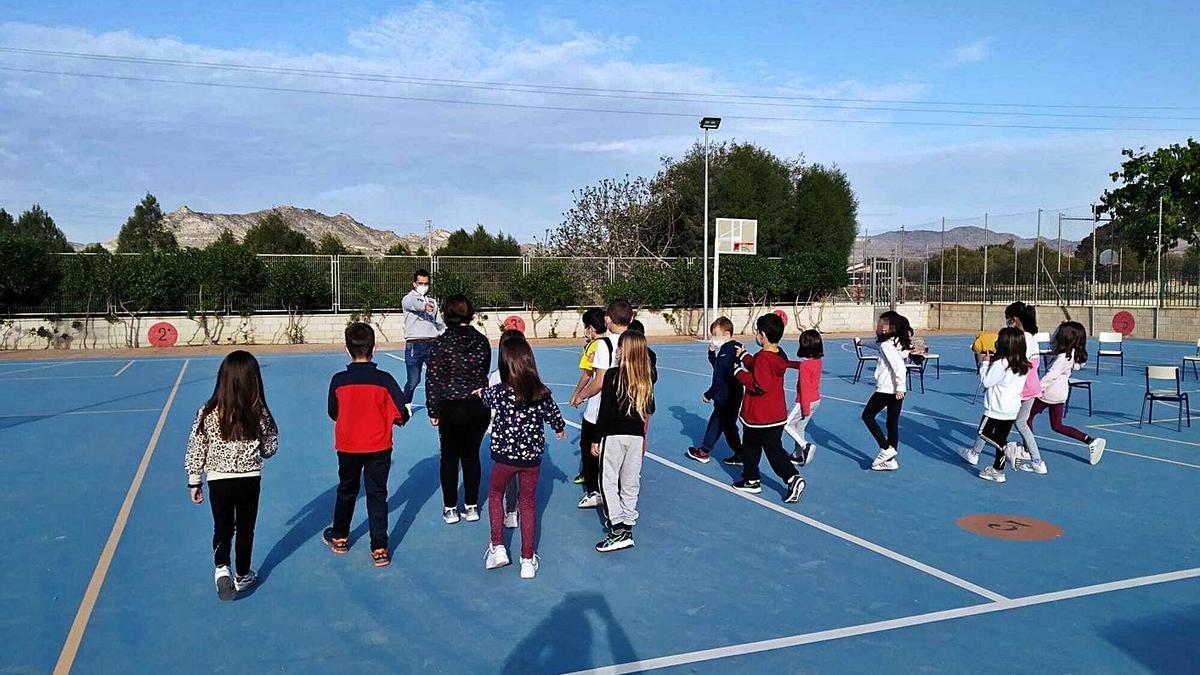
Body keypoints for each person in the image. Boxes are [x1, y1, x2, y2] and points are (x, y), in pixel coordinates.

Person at [186, 351, 278, 600]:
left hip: (218, 479)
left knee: (223, 525)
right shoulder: (258, 411)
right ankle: (243, 573)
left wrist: (194, 480)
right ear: (253, 380)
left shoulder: (207, 411)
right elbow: (271, 446)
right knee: (246, 527)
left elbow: (196, 447)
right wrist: (257, 447)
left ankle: (221, 567)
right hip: (249, 478)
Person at [322, 324, 410, 567]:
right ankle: (379, 547)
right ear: (375, 348)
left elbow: (333, 412)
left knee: (346, 490)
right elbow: (401, 411)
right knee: (377, 494)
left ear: (346, 350)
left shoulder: (339, 380)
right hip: (379, 446)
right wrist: (398, 419)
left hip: (348, 446)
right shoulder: (384, 380)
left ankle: (340, 537)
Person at [480, 337, 567, 578]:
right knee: (528, 504)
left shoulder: (499, 392)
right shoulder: (540, 392)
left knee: (495, 495)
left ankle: (497, 547)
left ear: (505, 365)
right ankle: (527, 560)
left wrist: (479, 393)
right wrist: (559, 428)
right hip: (531, 459)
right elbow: (554, 415)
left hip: (504, 456)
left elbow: (484, 397)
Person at [425, 294, 492, 524]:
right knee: (472, 455)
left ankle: (451, 507)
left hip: (451, 406)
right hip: (477, 406)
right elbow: (485, 368)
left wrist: (433, 410)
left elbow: (433, 378)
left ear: (445, 314)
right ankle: (472, 505)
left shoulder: (441, 343)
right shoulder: (481, 341)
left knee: (450, 457)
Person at [592, 330, 657, 552]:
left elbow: (605, 411)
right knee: (630, 482)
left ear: (624, 351)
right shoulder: (645, 379)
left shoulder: (612, 376)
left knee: (608, 481)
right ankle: (628, 525)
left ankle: (617, 528)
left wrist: (596, 438)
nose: (617, 351)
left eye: (620, 348)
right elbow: (650, 409)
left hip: (614, 435)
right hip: (636, 436)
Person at [731, 313, 806, 503]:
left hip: (759, 416)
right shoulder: (777, 354)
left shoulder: (763, 358)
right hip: (776, 414)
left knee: (752, 448)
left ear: (762, 335)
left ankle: (786, 477)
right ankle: (757, 478)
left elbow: (758, 384)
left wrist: (738, 372)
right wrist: (745, 356)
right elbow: (758, 365)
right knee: (773, 447)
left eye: (757, 332)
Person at [570, 300, 632, 509]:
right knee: (619, 453)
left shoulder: (604, 345)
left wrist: (580, 395)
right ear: (631, 319)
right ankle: (621, 493)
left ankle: (594, 491)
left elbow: (598, 381)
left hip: (600, 409)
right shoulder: (636, 342)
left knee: (590, 449)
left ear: (607, 320)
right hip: (628, 408)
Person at [1028, 321, 1108, 467]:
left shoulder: (1063, 358)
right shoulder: (1071, 353)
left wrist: (1035, 390)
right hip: (1060, 394)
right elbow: (1052, 341)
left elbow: (1050, 376)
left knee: (1026, 418)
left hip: (1048, 393)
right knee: (1057, 426)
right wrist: (1060, 326)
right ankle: (1090, 440)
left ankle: (1028, 449)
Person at [957, 327, 1029, 483]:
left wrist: (985, 364)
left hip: (996, 408)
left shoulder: (1002, 363)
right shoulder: (1023, 364)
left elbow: (987, 381)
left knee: (984, 433)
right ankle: (998, 470)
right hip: (1012, 408)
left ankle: (1009, 448)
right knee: (1000, 437)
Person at [857, 310, 912, 471]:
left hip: (887, 389)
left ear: (892, 327)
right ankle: (890, 459)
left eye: (884, 323)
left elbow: (899, 367)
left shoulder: (888, 345)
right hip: (896, 391)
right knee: (891, 422)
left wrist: (900, 387)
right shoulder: (894, 342)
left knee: (867, 416)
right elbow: (875, 344)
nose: (880, 325)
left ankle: (886, 448)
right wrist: (861, 342)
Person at [687, 317, 744, 465]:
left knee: (719, 423)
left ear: (726, 334)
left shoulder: (728, 351)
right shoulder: (728, 350)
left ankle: (704, 451)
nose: (713, 338)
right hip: (730, 394)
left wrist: (709, 394)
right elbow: (718, 366)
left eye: (715, 334)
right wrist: (711, 353)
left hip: (727, 395)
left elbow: (720, 377)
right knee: (726, 425)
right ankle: (740, 454)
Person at [488, 328, 526, 528]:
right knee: (520, 477)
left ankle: (511, 510)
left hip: (505, 438)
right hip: (527, 439)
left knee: (505, 478)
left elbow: (490, 404)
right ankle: (513, 508)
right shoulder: (530, 378)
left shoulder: (496, 378)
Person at [569, 308, 607, 486]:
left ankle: (591, 482)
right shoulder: (613, 342)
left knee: (588, 444)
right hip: (612, 405)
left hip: (595, 402)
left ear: (591, 328)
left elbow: (587, 375)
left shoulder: (594, 347)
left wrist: (578, 394)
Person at [401, 268, 446, 404]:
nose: (423, 286)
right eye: (420, 283)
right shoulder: (408, 299)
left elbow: (439, 322)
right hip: (415, 344)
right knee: (414, 380)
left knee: (436, 378)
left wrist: (446, 334)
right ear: (414, 284)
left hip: (433, 343)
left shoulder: (433, 301)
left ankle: (434, 405)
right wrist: (424, 307)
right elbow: (414, 304)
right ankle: (405, 405)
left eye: (426, 283)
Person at [786, 329, 823, 466]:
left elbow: (804, 388)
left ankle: (805, 446)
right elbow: (803, 366)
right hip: (816, 400)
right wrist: (789, 363)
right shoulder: (817, 361)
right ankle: (797, 455)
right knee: (800, 426)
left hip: (803, 401)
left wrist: (804, 408)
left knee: (786, 423)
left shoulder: (805, 366)